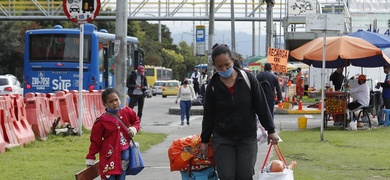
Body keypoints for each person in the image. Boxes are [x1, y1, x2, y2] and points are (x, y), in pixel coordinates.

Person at [199, 44, 279, 180]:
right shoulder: (212, 86)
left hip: (247, 138)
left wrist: (271, 130)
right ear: (214, 66)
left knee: (245, 175)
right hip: (223, 138)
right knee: (227, 176)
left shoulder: (248, 79)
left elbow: (261, 106)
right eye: (219, 67)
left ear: (233, 61)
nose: (224, 69)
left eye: (227, 65)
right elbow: (208, 116)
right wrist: (204, 140)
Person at [86, 88, 141, 180]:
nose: (115, 103)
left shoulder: (127, 112)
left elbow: (136, 121)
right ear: (105, 104)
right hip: (108, 156)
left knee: (121, 178)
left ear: (119, 99)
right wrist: (91, 157)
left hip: (125, 153)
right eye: (111, 101)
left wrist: (134, 128)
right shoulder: (102, 121)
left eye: (116, 100)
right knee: (109, 178)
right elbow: (96, 141)